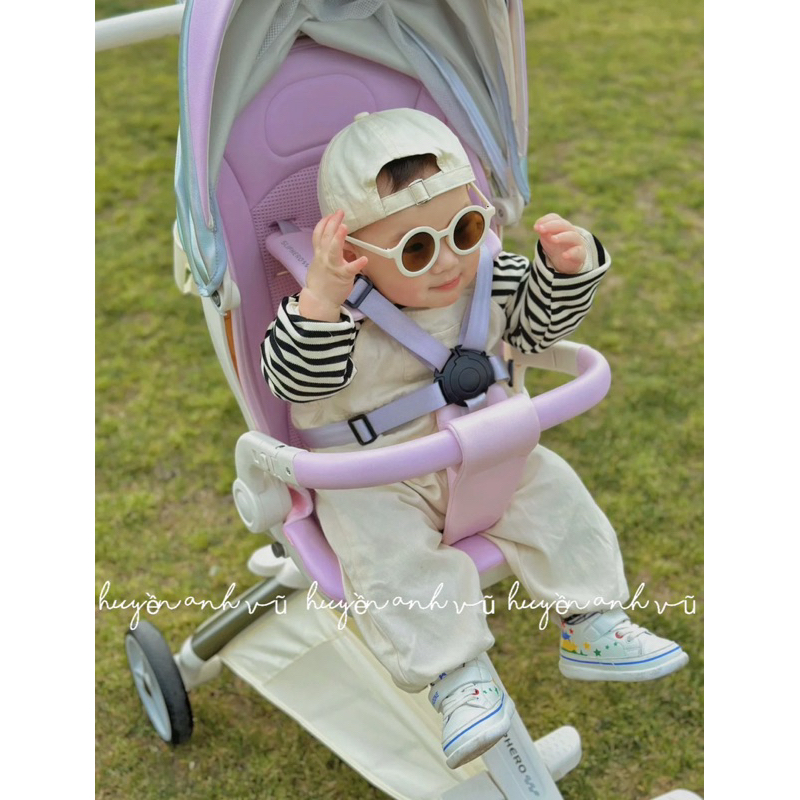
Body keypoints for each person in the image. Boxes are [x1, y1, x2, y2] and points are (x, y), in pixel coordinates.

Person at [261, 108, 687, 769]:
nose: (449, 261)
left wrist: (564, 273)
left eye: (464, 229)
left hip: (488, 454)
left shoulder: (486, 276)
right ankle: (458, 677)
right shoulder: (331, 315)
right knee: (391, 556)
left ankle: (593, 621)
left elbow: (534, 331)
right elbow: (295, 381)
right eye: (417, 249)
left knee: (554, 493)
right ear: (354, 256)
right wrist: (320, 297)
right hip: (380, 478)